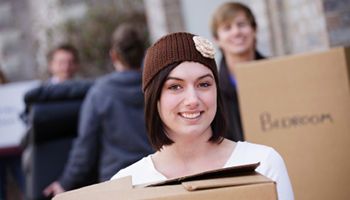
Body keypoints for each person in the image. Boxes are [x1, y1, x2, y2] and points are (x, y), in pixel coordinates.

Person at [111, 32, 294, 199]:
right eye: (175, 87)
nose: (192, 99)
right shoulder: (128, 185)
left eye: (204, 84)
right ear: (154, 97)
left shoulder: (264, 164)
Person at [43, 23, 153, 197]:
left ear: (113, 55)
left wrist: (65, 183)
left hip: (117, 183)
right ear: (143, 52)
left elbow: (85, 147)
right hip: (156, 177)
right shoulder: (156, 87)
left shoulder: (100, 92)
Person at [211, 2, 265, 141]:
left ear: (254, 29)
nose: (236, 32)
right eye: (227, 28)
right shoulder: (211, 88)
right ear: (217, 39)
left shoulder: (278, 75)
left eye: (241, 24)